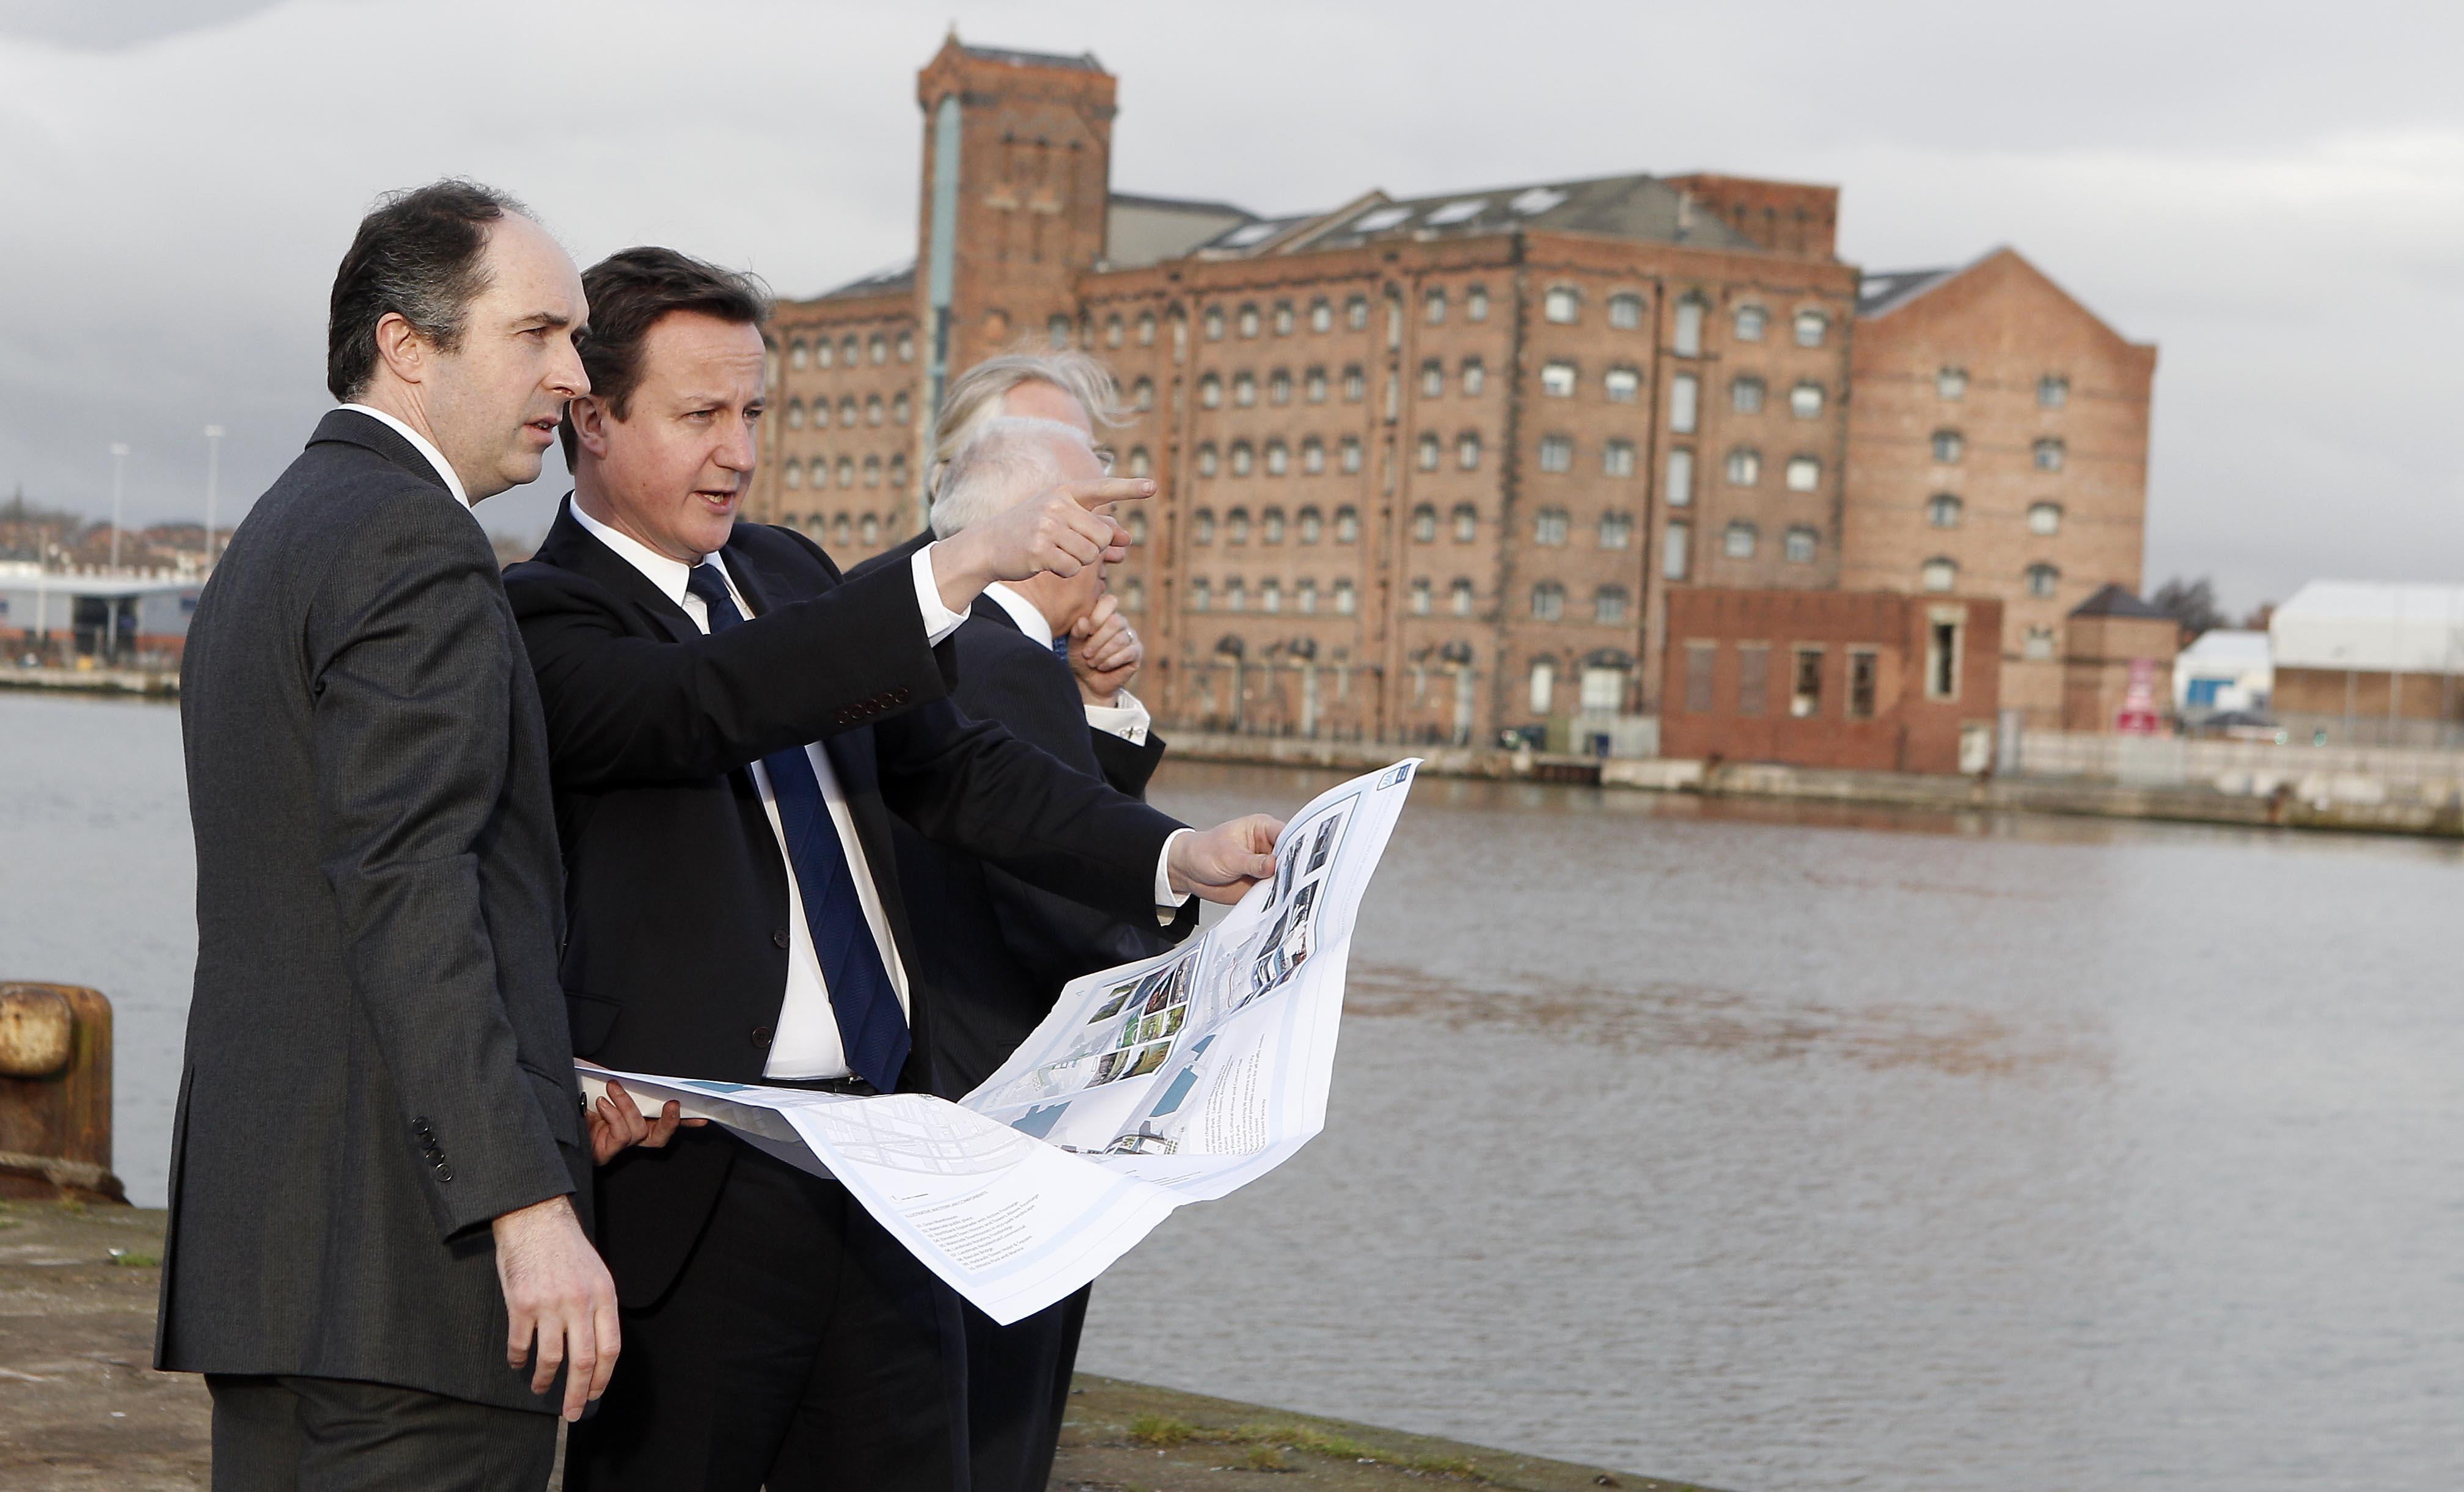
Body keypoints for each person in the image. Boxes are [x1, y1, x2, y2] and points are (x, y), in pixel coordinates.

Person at [502, 246, 1283, 1492]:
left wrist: (1175, 855)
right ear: (592, 422)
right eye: (701, 416)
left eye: (753, 414)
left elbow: (960, 773)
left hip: (884, 1166)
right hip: (692, 1184)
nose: (739, 453)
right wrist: (969, 558)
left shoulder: (789, 575)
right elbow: (712, 703)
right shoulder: (547, 616)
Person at [158, 179, 681, 1492]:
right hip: (412, 1283)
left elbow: (331, 898)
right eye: (540, 334)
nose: (573, 376)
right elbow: (410, 888)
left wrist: (538, 1088)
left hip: (280, 1268)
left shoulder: (283, 530)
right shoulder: (417, 543)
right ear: (408, 344)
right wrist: (528, 1203)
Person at [854, 406, 1182, 1492]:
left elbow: (1050, 812)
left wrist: (1100, 712)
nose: (1117, 542)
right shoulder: (1005, 661)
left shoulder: (939, 643)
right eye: (1099, 511)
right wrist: (1183, 963)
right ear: (1035, 524)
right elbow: (1060, 899)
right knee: (994, 1431)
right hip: (1003, 1104)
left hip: (917, 1101)